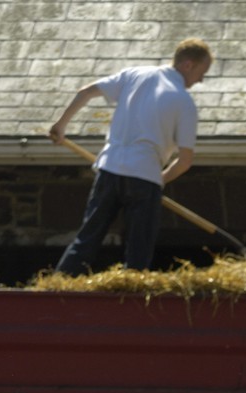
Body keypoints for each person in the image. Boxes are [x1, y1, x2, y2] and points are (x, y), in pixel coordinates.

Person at [48, 37, 213, 274]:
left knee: (87, 239)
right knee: (138, 250)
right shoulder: (184, 102)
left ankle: (59, 284)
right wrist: (161, 180)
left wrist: (60, 125)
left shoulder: (135, 74)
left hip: (110, 169)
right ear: (188, 65)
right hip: (145, 177)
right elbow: (185, 161)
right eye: (201, 73)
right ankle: (131, 291)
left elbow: (85, 92)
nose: (201, 80)